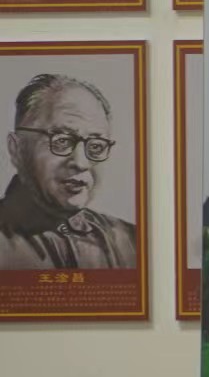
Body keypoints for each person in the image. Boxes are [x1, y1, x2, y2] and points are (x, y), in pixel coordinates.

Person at [0, 73, 138, 270]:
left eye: (96, 146)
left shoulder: (129, 243)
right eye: (62, 141)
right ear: (16, 148)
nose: (81, 163)